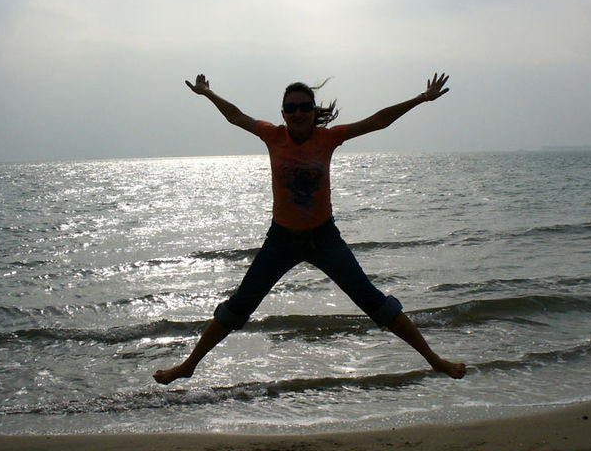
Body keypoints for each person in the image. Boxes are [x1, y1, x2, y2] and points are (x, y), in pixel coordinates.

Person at [154, 73, 466, 384]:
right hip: (281, 240)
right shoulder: (273, 135)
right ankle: (189, 365)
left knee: (374, 302)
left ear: (314, 111)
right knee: (239, 306)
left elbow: (378, 121)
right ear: (283, 113)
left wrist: (421, 98)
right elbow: (236, 116)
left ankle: (435, 360)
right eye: (291, 108)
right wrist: (208, 94)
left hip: (324, 238)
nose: (298, 113)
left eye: (305, 107)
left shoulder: (327, 138)